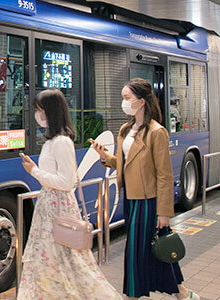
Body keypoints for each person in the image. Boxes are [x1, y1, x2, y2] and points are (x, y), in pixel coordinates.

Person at [91, 78, 200, 300]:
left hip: (149, 202)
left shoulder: (156, 132)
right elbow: (124, 163)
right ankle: (183, 294)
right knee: (149, 252)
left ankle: (132, 295)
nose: (124, 102)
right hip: (130, 199)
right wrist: (105, 157)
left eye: (127, 98)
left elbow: (164, 175)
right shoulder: (125, 130)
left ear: (141, 101)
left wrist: (164, 212)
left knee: (138, 252)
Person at [18, 89, 121, 299]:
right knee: (51, 261)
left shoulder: (62, 142)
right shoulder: (50, 141)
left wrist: (34, 171)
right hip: (48, 207)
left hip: (58, 207)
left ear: (51, 112)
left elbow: (66, 182)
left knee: (67, 261)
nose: (37, 115)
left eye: (40, 111)